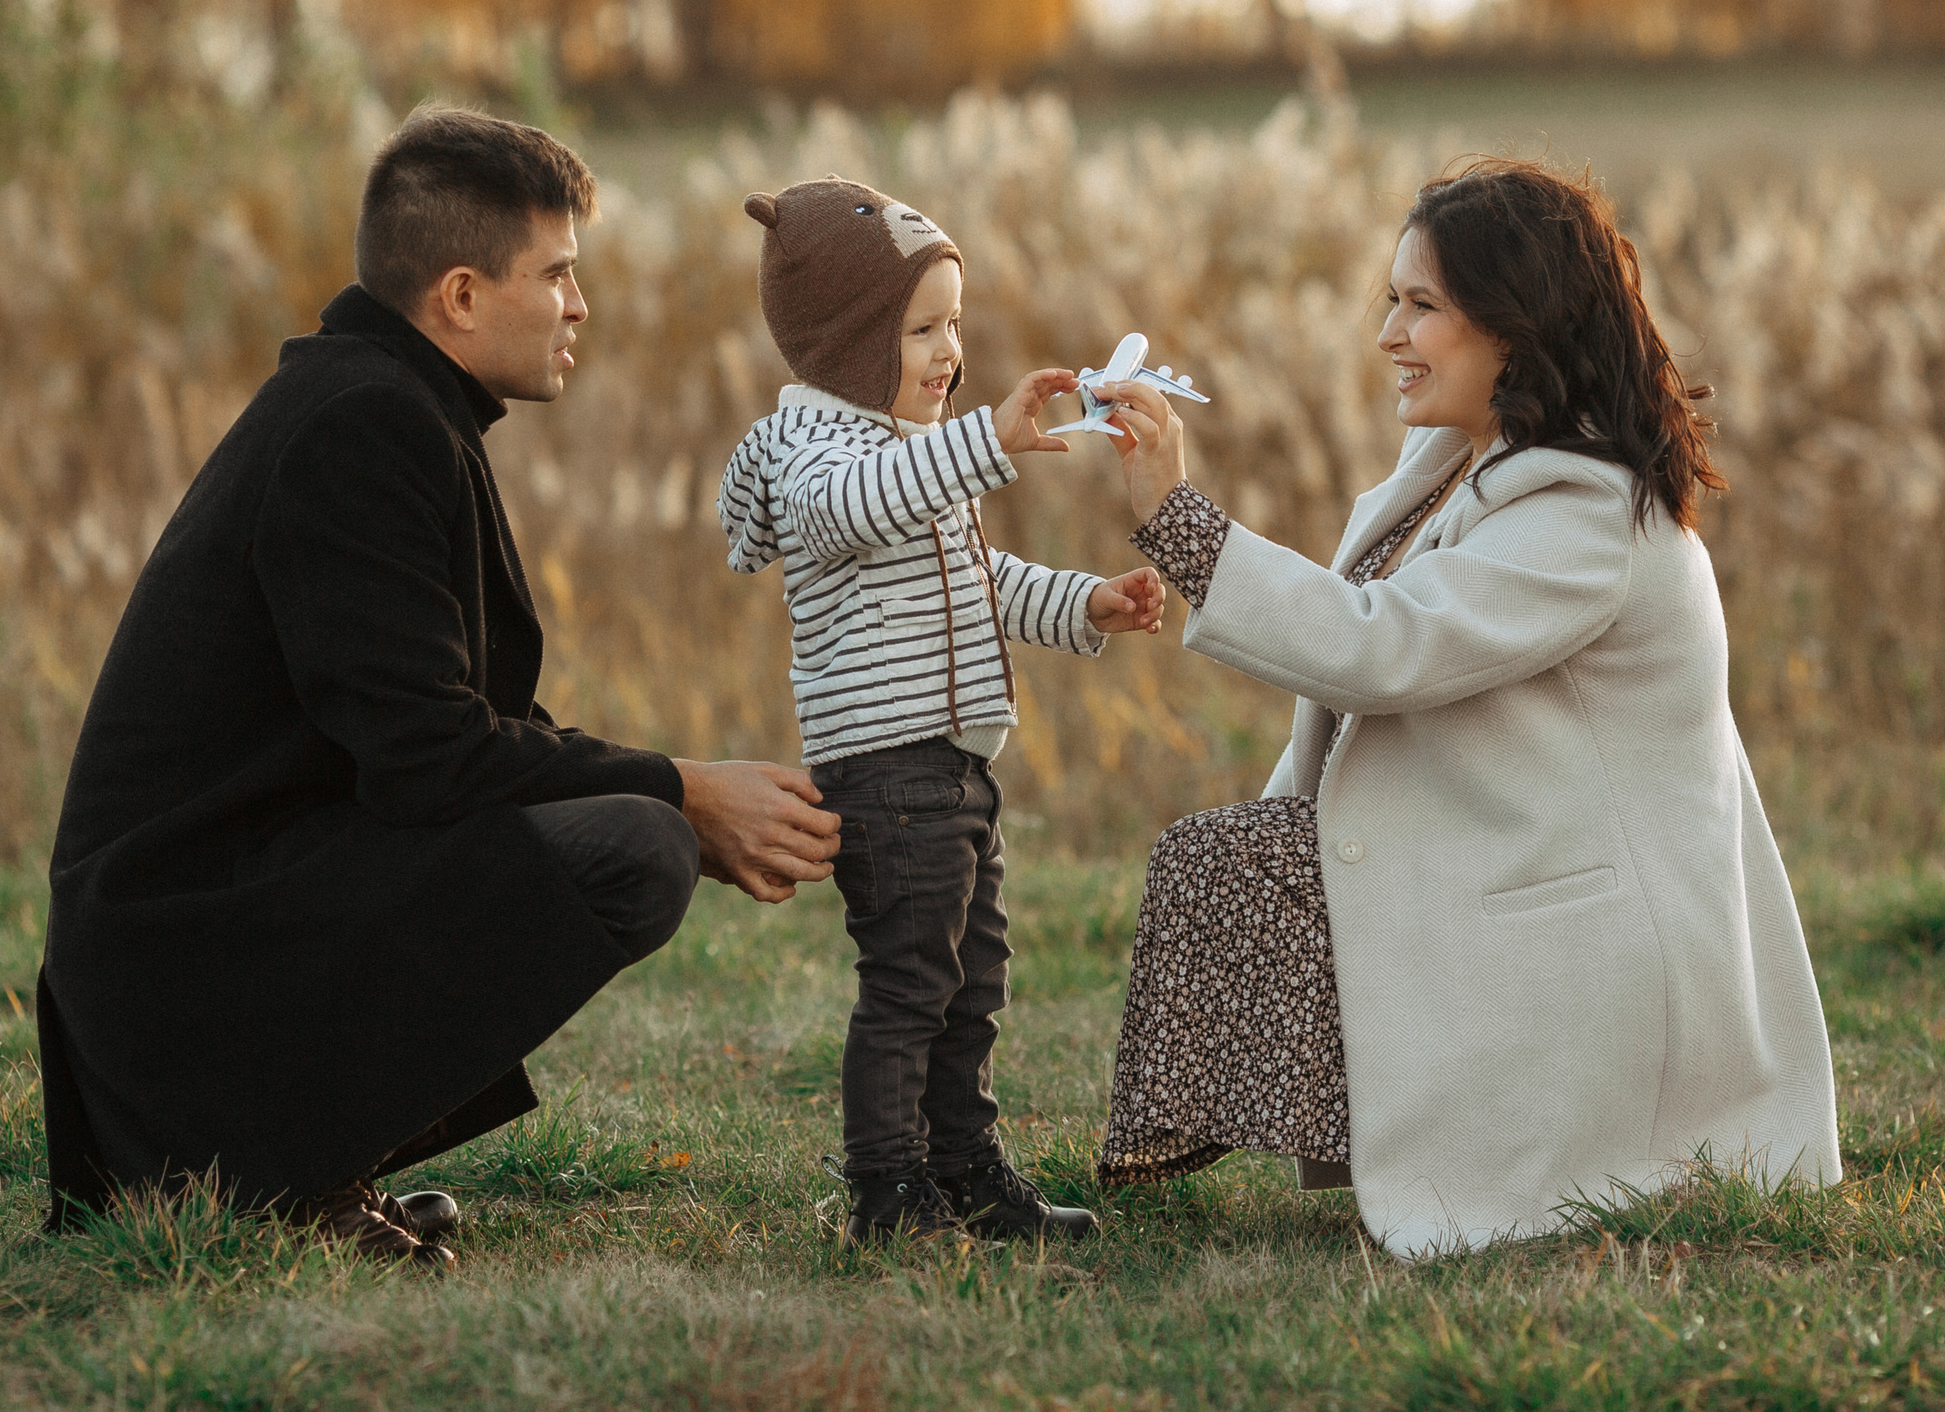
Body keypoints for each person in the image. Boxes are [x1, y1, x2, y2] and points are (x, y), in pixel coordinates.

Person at [37, 107, 842, 1265]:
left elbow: (439, 732)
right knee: (636, 850)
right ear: (461, 295)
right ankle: (263, 1176)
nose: (579, 305)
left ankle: (299, 1157)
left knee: (630, 828)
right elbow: (430, 758)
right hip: (178, 956)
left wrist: (668, 786)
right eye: (555, 274)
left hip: (228, 910)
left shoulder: (380, 400)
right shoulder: (364, 424)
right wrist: (680, 791)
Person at [1094, 157, 1840, 1258]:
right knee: (1226, 859)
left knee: (1248, 863)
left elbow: (1384, 645)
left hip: (1587, 943)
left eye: (1422, 306)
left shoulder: (1590, 519)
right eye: (1391, 300)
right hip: (1503, 855)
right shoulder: (1462, 461)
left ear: (1515, 325)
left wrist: (1181, 521)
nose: (1388, 334)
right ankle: (1204, 1148)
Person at [719, 178, 1167, 1244]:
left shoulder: (903, 454)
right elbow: (846, 512)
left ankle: (963, 1168)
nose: (949, 352)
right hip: (888, 769)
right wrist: (983, 443)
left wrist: (1083, 603)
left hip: (952, 767)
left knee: (970, 983)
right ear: (844, 341)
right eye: (921, 329)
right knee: (911, 985)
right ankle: (888, 1192)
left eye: (954, 324)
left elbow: (976, 577)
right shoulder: (821, 457)